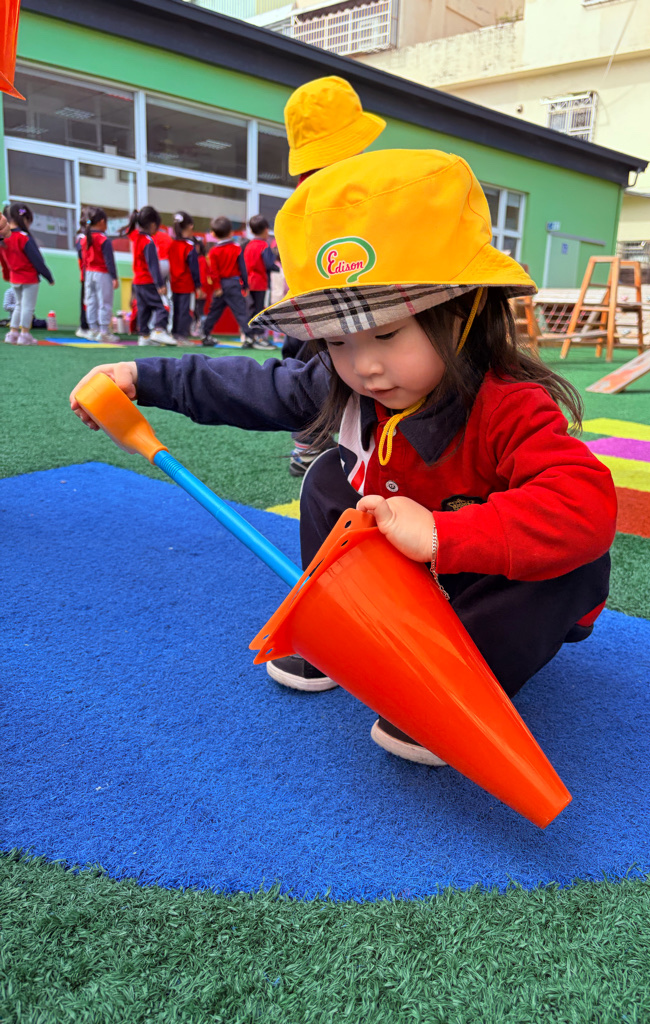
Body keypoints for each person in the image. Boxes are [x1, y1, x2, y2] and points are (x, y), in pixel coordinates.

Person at [70, 149, 616, 766]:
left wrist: (445, 534)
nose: (365, 366)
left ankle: (456, 690)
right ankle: (341, 634)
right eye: (336, 341)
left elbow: (585, 506)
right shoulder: (349, 386)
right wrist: (142, 377)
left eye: (387, 333)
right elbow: (252, 387)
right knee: (329, 477)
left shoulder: (509, 406)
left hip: (488, 581)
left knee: (569, 566)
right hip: (414, 579)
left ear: (463, 314)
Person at [275, 75, 387, 475]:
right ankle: (356, 449)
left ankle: (308, 443)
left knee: (304, 372)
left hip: (306, 308)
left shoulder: (298, 200)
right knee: (365, 373)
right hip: (358, 306)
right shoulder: (363, 189)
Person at [201, 216, 261, 349]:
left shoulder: (213, 251)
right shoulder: (236, 248)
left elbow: (213, 271)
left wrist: (217, 287)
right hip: (233, 284)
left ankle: (205, 335)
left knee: (214, 311)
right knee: (241, 312)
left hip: (221, 285)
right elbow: (242, 268)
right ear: (231, 232)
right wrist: (245, 285)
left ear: (213, 234)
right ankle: (249, 338)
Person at [0, 201, 54, 346]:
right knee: (28, 307)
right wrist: (48, 276)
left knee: (18, 305)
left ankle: (12, 333)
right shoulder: (23, 237)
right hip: (29, 279)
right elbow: (37, 259)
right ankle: (24, 334)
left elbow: (3, 261)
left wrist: (6, 275)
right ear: (23, 218)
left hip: (14, 278)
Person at [123, 206, 176, 347]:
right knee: (162, 306)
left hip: (138, 281)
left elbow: (128, 230)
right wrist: (160, 284)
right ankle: (159, 330)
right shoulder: (148, 241)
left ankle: (144, 335)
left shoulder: (136, 237)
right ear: (153, 225)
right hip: (147, 281)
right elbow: (153, 265)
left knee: (143, 309)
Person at [80, 206, 120, 344]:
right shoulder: (103, 239)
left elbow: (83, 259)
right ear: (102, 221)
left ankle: (93, 330)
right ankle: (104, 331)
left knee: (91, 301)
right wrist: (114, 277)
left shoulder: (84, 238)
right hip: (102, 274)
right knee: (105, 302)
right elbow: (109, 260)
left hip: (89, 273)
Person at [243, 214, 279, 350]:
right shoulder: (264, 245)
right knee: (260, 311)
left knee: (250, 310)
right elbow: (268, 264)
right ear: (265, 229)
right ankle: (259, 337)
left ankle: (249, 337)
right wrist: (277, 267)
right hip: (260, 283)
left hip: (249, 282)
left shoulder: (248, 245)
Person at [168, 211, 202, 343]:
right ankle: (181, 335)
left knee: (176, 310)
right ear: (190, 226)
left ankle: (175, 333)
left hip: (174, 283)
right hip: (186, 284)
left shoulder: (172, 244)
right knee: (184, 310)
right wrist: (198, 285)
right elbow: (194, 268)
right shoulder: (189, 246)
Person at [74, 225, 91, 340]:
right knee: (86, 302)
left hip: (91, 275)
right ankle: (84, 327)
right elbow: (83, 256)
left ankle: (91, 326)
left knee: (92, 302)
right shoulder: (82, 238)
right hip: (86, 275)